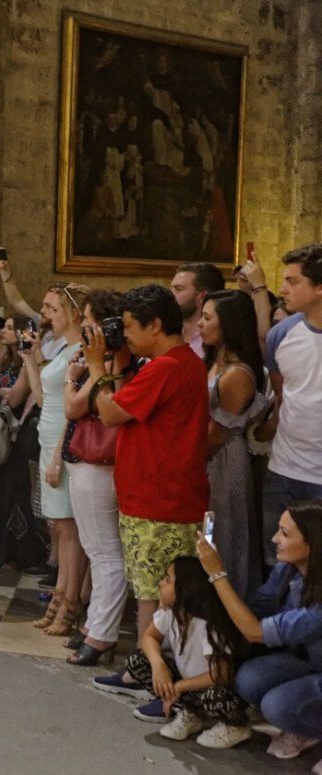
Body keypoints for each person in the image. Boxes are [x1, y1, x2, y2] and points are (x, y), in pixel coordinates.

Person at [87, 285, 210, 719]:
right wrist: (120, 364)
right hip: (155, 495)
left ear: (156, 325)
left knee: (159, 599)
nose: (125, 335)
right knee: (149, 592)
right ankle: (142, 671)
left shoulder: (167, 367)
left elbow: (109, 412)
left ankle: (163, 685)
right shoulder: (176, 363)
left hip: (160, 499)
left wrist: (95, 367)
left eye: (130, 328)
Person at [199, 501, 322, 769]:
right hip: (308, 661)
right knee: (249, 680)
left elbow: (254, 631)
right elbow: (256, 609)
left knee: (278, 706)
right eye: (279, 530)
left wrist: (216, 574)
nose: (275, 539)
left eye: (285, 534)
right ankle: (304, 722)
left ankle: (308, 725)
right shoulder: (288, 568)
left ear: (314, 544)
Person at [63, 290, 133, 666]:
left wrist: (73, 379)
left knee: (106, 553)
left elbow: (74, 407)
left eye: (89, 319)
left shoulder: (110, 361)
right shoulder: (105, 359)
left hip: (101, 462)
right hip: (89, 462)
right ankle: (95, 627)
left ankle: (102, 634)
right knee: (98, 550)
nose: (83, 326)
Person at [117, 557, 251, 749]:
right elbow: (149, 637)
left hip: (211, 687)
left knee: (217, 696)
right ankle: (188, 712)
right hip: (188, 687)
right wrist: (158, 665)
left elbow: (220, 674)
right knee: (137, 660)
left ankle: (235, 725)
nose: (161, 582)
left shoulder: (208, 625)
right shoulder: (171, 613)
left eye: (168, 580)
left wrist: (179, 686)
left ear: (185, 590)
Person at [22, 283, 90, 635]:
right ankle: (61, 595)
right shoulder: (62, 349)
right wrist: (29, 358)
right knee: (60, 526)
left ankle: (71, 601)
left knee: (69, 528)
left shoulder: (80, 351)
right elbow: (42, 395)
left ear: (74, 313)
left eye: (52, 309)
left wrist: (59, 459)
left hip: (63, 446)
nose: (45, 315)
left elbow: (71, 411)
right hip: (48, 440)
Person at [199, 290, 271, 599]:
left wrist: (186, 460)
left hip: (224, 460)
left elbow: (218, 431)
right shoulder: (212, 362)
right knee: (205, 531)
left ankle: (229, 609)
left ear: (229, 324)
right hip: (207, 457)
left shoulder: (238, 373)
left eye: (207, 318)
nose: (200, 324)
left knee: (223, 533)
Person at [260, 243, 322, 567]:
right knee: (277, 562)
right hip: (285, 466)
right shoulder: (281, 335)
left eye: (293, 281)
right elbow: (282, 396)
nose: (283, 289)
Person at [0, 315, 43, 568]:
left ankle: (23, 550)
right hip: (0, 429)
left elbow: (16, 396)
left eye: (10, 328)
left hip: (17, 431)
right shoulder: (5, 359)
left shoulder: (25, 363)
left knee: (16, 491)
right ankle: (1, 547)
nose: (3, 332)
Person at [169, 262, 225, 358]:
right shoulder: (165, 333)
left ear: (202, 296)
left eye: (178, 289)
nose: (171, 294)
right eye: (172, 288)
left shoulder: (216, 342)